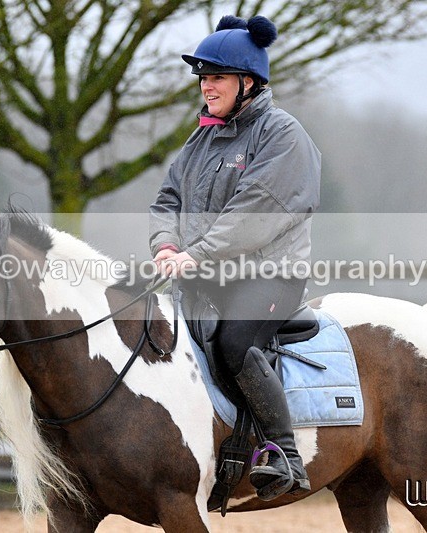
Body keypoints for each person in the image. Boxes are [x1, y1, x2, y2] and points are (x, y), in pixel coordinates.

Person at [149, 15, 321, 501]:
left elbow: (254, 213)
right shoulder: (201, 139)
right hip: (203, 273)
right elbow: (167, 200)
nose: (207, 86)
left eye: (217, 77)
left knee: (234, 342)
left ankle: (284, 452)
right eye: (203, 77)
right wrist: (165, 245)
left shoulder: (282, 135)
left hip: (269, 275)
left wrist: (195, 254)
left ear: (249, 82)